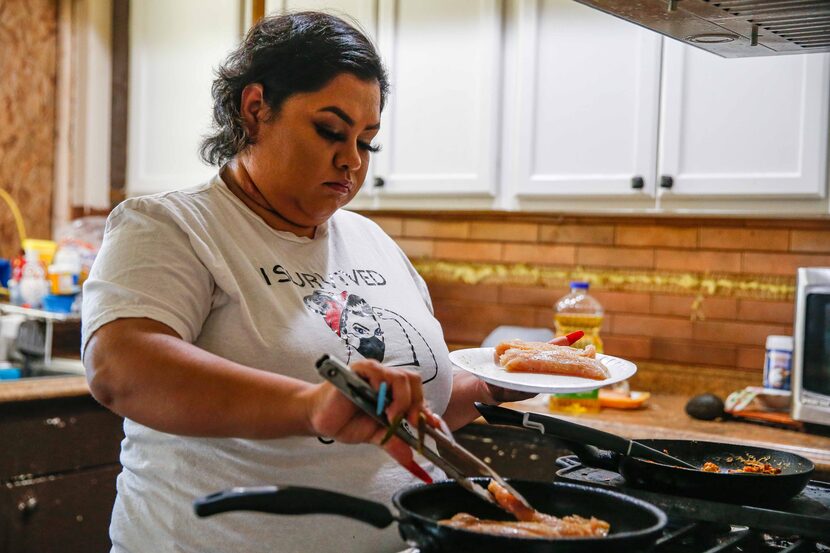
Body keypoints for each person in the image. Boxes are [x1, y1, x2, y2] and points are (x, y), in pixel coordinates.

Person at [82, 12, 566, 553]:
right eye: (330, 131)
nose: (351, 160)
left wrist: (497, 381)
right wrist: (311, 404)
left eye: (367, 141)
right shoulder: (172, 226)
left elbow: (405, 411)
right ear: (256, 108)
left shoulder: (373, 244)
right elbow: (122, 368)